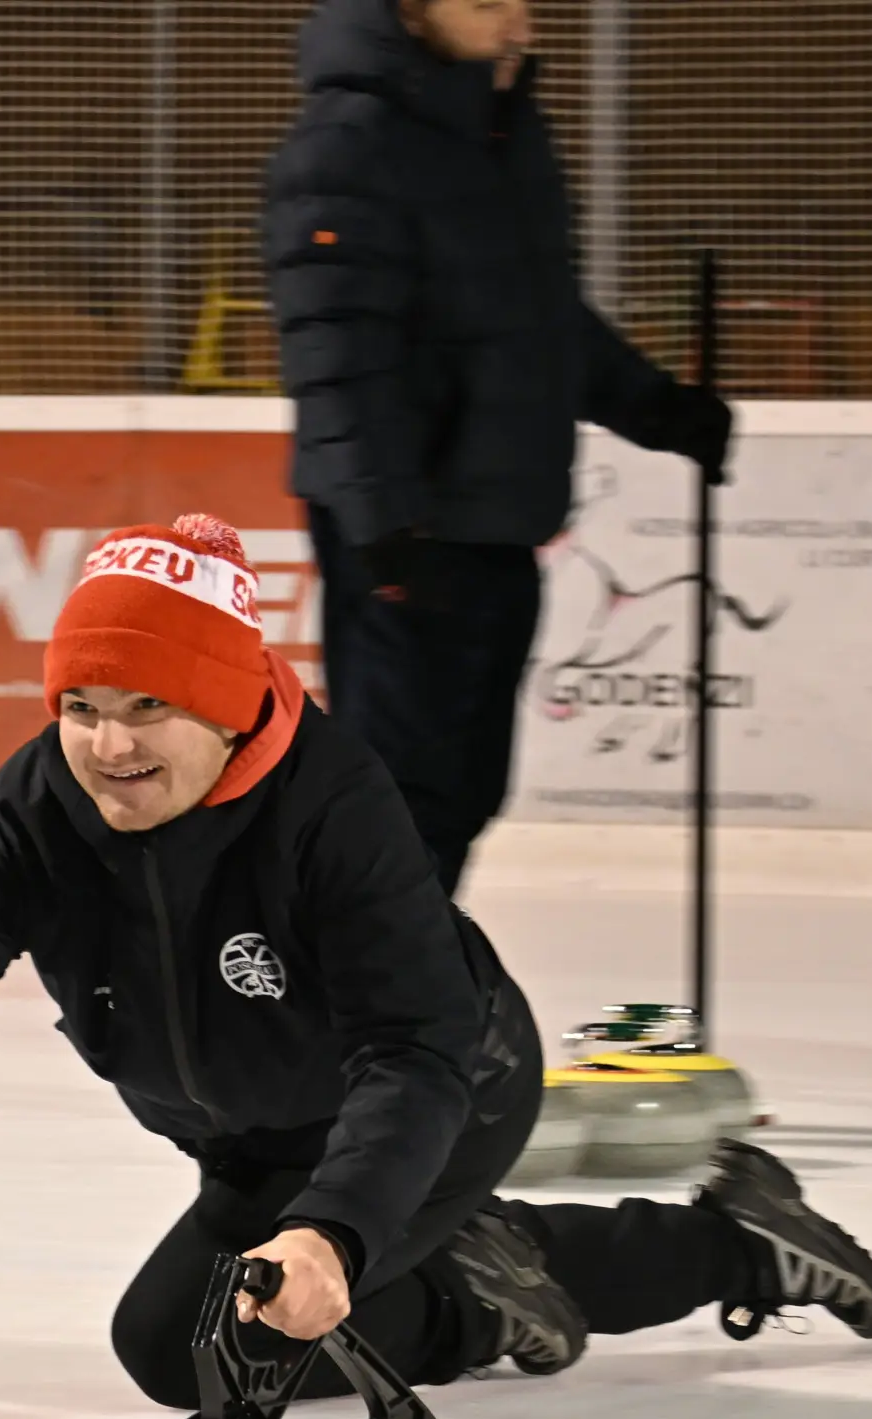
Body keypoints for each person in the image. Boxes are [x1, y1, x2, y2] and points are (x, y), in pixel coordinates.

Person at [0, 515, 872, 1419]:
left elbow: (416, 1048)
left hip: (438, 1097)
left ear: (227, 709)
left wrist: (337, 1226)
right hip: (250, 1125)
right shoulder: (42, 805)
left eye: (147, 710)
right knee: (176, 1341)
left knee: (215, 1343)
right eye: (81, 705)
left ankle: (721, 1251)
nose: (107, 746)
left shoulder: (332, 808)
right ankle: (474, 1273)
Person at [260, 0, 733, 895]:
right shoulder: (348, 142)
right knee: (400, 800)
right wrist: (381, 518)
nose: (519, 22)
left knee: (465, 792)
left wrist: (661, 409)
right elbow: (333, 350)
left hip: (498, 513)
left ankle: (404, 1002)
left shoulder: (503, 132)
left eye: (523, 1)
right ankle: (359, 1014)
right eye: (486, 3)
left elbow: (540, 323)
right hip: (408, 527)